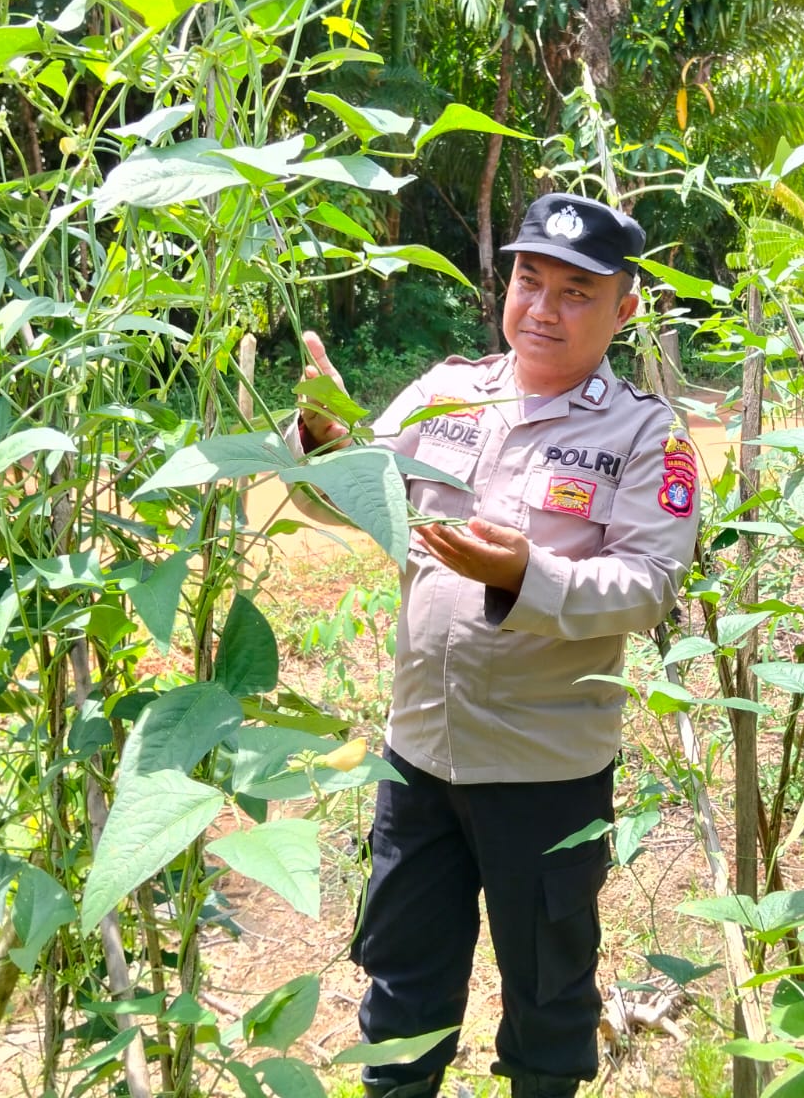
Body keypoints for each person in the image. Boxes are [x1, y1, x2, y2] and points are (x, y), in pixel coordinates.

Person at [291, 193, 699, 1098]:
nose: (544, 309)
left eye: (577, 292)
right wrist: (322, 443)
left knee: (549, 1005)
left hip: (545, 776)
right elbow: (343, 501)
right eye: (530, 281)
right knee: (400, 994)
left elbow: (648, 587)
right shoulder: (445, 392)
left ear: (625, 310)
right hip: (420, 760)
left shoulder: (643, 435)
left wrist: (526, 576)